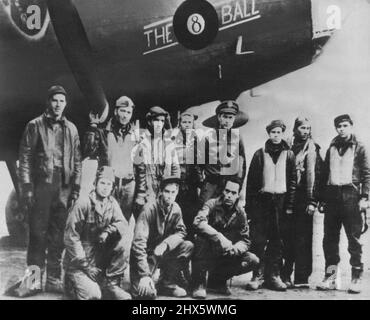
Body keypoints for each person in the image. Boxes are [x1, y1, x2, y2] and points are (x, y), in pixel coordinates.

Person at [17, 85, 82, 297]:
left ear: (66, 103)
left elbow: (78, 161)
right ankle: (32, 282)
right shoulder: (35, 125)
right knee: (37, 235)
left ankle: (53, 280)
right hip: (41, 186)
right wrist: (27, 188)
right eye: (54, 100)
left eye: (62, 101)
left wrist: (76, 188)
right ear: (48, 102)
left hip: (63, 187)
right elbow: (25, 158)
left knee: (57, 237)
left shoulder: (72, 129)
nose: (58, 104)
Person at [316, 114, 370, 294]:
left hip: (351, 197)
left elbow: (367, 174)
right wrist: (322, 198)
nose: (342, 129)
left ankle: (356, 278)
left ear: (351, 126)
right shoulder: (331, 147)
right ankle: (330, 277)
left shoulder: (360, 147)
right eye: (339, 126)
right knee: (329, 240)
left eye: (345, 126)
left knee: (353, 240)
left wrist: (364, 197)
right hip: (332, 197)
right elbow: (324, 175)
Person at [64, 166, 131, 300]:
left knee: (125, 239)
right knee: (93, 295)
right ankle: (71, 285)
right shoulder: (83, 203)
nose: (105, 187)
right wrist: (86, 266)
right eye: (102, 183)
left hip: (98, 259)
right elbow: (71, 237)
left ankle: (110, 284)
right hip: (80, 263)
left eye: (109, 184)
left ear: (112, 187)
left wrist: (107, 231)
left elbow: (123, 224)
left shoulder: (112, 203)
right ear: (95, 184)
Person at [245, 120, 296, 291]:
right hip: (263, 202)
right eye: (273, 132)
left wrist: (289, 205)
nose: (276, 135)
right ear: (269, 134)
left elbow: (293, 182)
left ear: (282, 133)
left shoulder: (289, 155)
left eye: (279, 132)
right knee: (259, 239)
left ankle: (273, 275)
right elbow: (251, 183)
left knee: (277, 240)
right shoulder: (259, 154)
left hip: (280, 203)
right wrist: (250, 208)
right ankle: (256, 275)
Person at [191, 177, 259, 299]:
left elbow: (245, 240)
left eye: (233, 193)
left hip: (226, 254)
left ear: (238, 195)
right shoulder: (211, 204)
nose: (229, 195)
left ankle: (217, 281)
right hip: (208, 252)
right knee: (200, 239)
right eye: (227, 191)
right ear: (223, 191)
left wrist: (235, 249)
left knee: (252, 260)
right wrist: (219, 237)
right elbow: (198, 222)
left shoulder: (240, 213)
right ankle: (199, 283)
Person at [83, 96, 146, 221]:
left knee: (123, 223)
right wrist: (93, 126)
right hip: (109, 185)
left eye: (128, 112)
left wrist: (141, 193)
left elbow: (141, 166)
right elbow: (89, 151)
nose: (125, 115)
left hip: (129, 187)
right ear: (116, 111)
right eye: (122, 111)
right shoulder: (103, 132)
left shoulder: (136, 135)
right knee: (105, 220)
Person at [130, 176, 193, 299]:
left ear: (177, 192)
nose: (170, 196)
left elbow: (181, 232)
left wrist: (166, 244)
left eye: (173, 192)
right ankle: (149, 280)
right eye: (166, 192)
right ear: (160, 192)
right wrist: (144, 275)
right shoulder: (149, 209)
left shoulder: (176, 209)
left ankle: (167, 283)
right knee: (146, 295)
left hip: (163, 252)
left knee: (187, 246)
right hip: (146, 256)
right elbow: (138, 243)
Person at [281, 117, 322, 288]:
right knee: (287, 237)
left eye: (308, 128)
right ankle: (285, 274)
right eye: (302, 128)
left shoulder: (314, 149)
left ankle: (302, 278)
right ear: (295, 129)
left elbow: (319, 176)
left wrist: (313, 201)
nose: (305, 131)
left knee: (304, 238)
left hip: (305, 198)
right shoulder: (286, 146)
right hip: (287, 197)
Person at [198, 100, 246, 208]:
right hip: (211, 184)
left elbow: (242, 164)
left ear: (234, 119)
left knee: (226, 214)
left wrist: (238, 184)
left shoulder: (237, 138)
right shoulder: (208, 136)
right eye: (225, 117)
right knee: (204, 210)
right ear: (219, 117)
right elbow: (199, 163)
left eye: (231, 117)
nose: (227, 121)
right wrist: (201, 183)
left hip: (229, 186)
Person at [139, 106, 180, 203]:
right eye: (156, 120)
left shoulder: (168, 140)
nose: (159, 124)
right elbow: (139, 170)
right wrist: (141, 192)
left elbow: (175, 166)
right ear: (149, 121)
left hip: (165, 185)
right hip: (148, 187)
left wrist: (174, 186)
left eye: (162, 121)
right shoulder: (142, 140)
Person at [171, 111, 202, 234]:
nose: (187, 125)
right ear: (180, 123)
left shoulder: (197, 140)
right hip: (178, 182)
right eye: (184, 122)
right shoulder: (173, 139)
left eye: (190, 122)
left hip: (192, 185)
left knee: (190, 214)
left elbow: (200, 163)